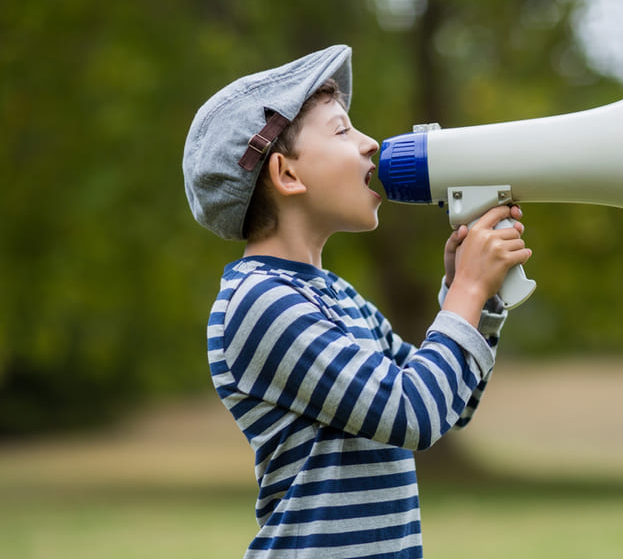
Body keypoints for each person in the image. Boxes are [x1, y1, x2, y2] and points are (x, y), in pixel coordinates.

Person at [182, 44, 531, 558]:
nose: (371, 143)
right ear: (287, 175)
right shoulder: (258, 301)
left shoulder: (336, 296)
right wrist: (467, 292)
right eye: (342, 130)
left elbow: (451, 405)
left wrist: (477, 300)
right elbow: (414, 415)